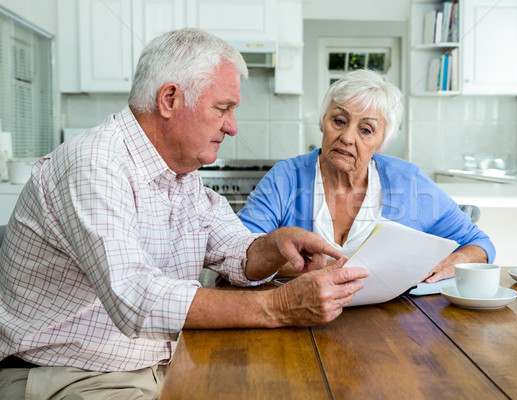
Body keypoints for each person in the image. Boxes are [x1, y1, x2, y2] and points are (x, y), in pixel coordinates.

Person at [0, 28, 369, 399]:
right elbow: (135, 298)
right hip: (70, 374)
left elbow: (235, 250)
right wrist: (278, 306)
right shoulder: (94, 164)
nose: (232, 126)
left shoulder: (180, 175)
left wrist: (274, 246)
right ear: (170, 99)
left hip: (157, 364)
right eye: (222, 108)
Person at [238, 69, 495, 283]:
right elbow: (240, 252)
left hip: (391, 327)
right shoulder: (286, 177)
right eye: (339, 121)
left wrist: (451, 263)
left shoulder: (409, 181)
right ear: (322, 121)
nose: (348, 137)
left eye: (366, 130)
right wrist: (313, 269)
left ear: (382, 143)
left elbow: (479, 244)